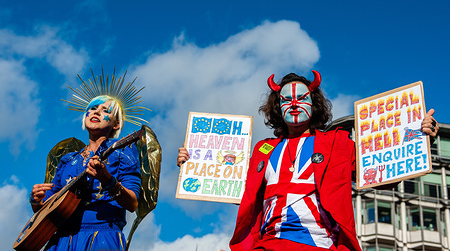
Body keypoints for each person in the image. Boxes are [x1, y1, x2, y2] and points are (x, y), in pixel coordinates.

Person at [177, 71, 439, 251]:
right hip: (268, 244)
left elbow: (380, 173)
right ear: (276, 107)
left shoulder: (337, 143)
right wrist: (193, 161)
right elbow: (236, 188)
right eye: (285, 100)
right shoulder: (263, 149)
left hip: (319, 244)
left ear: (314, 104)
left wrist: (419, 134)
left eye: (301, 97)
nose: (293, 104)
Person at [29, 71, 150, 251]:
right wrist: (35, 200)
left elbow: (132, 203)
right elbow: (49, 207)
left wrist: (107, 179)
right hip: (62, 239)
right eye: (93, 108)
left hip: (102, 235)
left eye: (105, 110)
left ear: (116, 124)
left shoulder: (123, 151)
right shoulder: (67, 159)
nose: (96, 112)